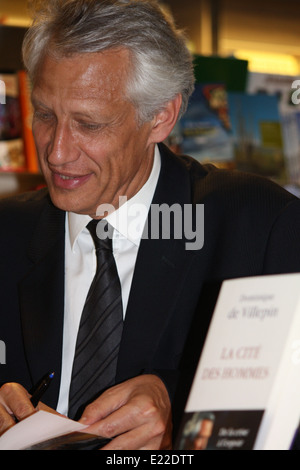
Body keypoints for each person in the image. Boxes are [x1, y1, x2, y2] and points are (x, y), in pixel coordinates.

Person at [0, 0, 300, 450]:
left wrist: (177, 406)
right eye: (44, 114)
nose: (57, 152)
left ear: (161, 116)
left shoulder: (259, 225)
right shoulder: (7, 232)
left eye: (89, 123)